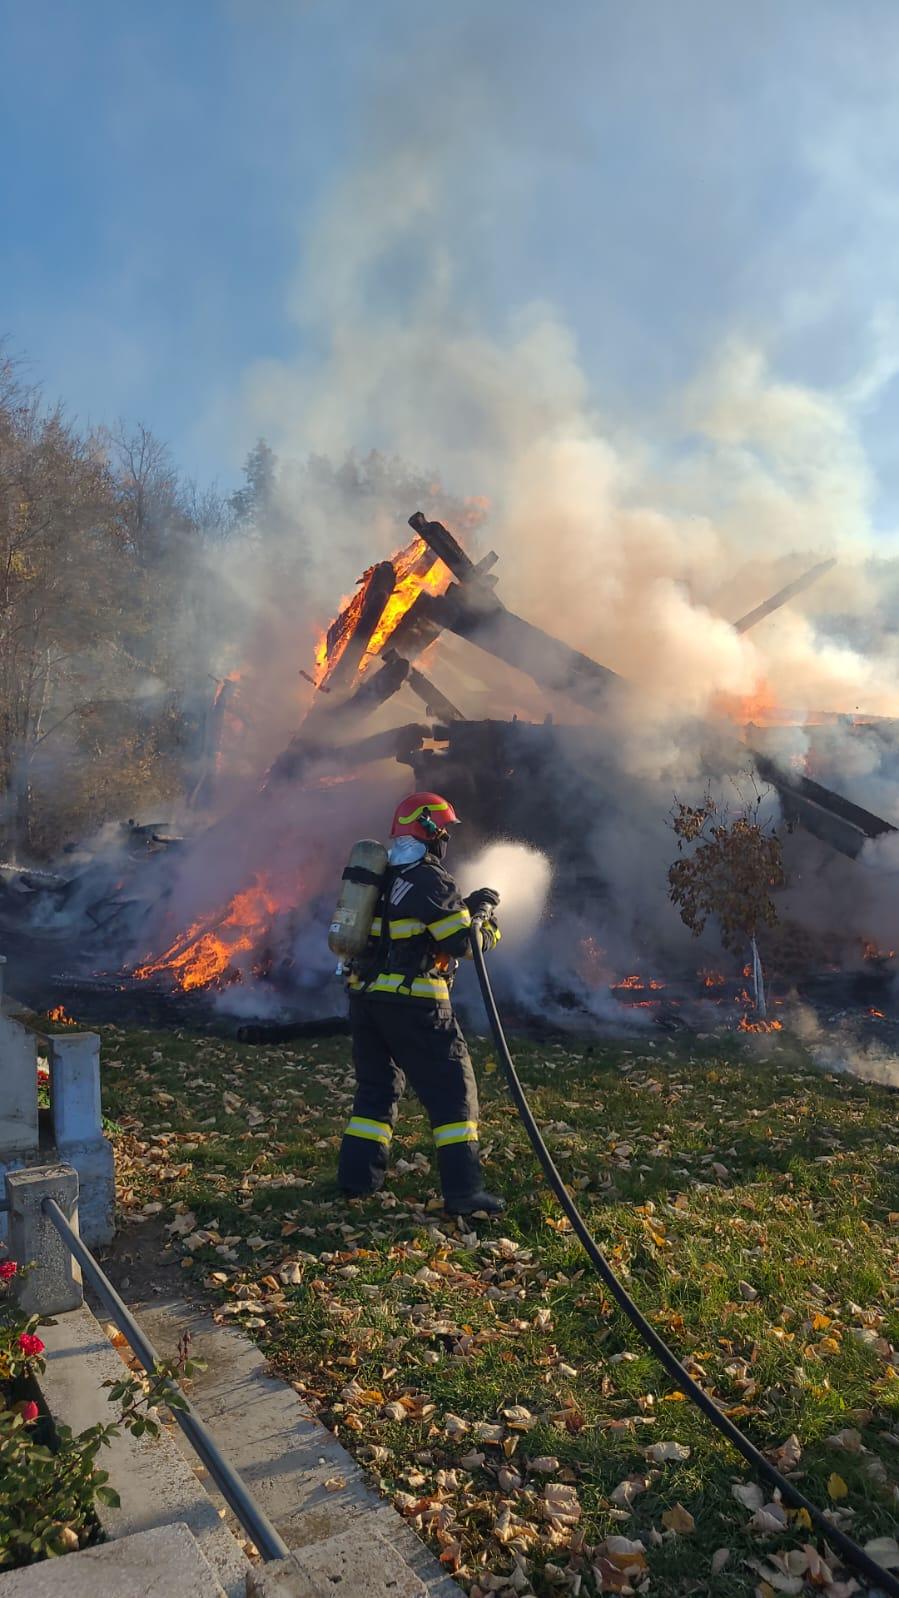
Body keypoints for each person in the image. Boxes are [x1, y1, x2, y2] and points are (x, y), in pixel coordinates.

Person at [337, 791, 504, 1216]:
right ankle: (464, 1193)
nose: (446, 836)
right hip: (416, 1005)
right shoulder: (430, 880)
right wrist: (487, 922)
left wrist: (463, 910)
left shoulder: (381, 877)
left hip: (366, 1001)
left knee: (376, 1091)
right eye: (443, 829)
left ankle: (357, 1181)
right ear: (429, 831)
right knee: (453, 1095)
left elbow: (407, 927)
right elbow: (465, 944)